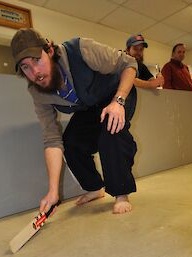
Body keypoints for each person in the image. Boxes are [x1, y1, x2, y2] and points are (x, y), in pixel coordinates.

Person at [11, 28, 138, 215]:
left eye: (37, 60)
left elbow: (129, 64)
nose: (35, 72)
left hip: (117, 94)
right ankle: (94, 187)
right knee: (71, 143)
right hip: (89, 107)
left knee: (112, 130)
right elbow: (52, 140)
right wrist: (53, 192)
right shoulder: (37, 92)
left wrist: (118, 101)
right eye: (25, 67)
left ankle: (121, 193)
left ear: (50, 51)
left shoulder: (80, 49)